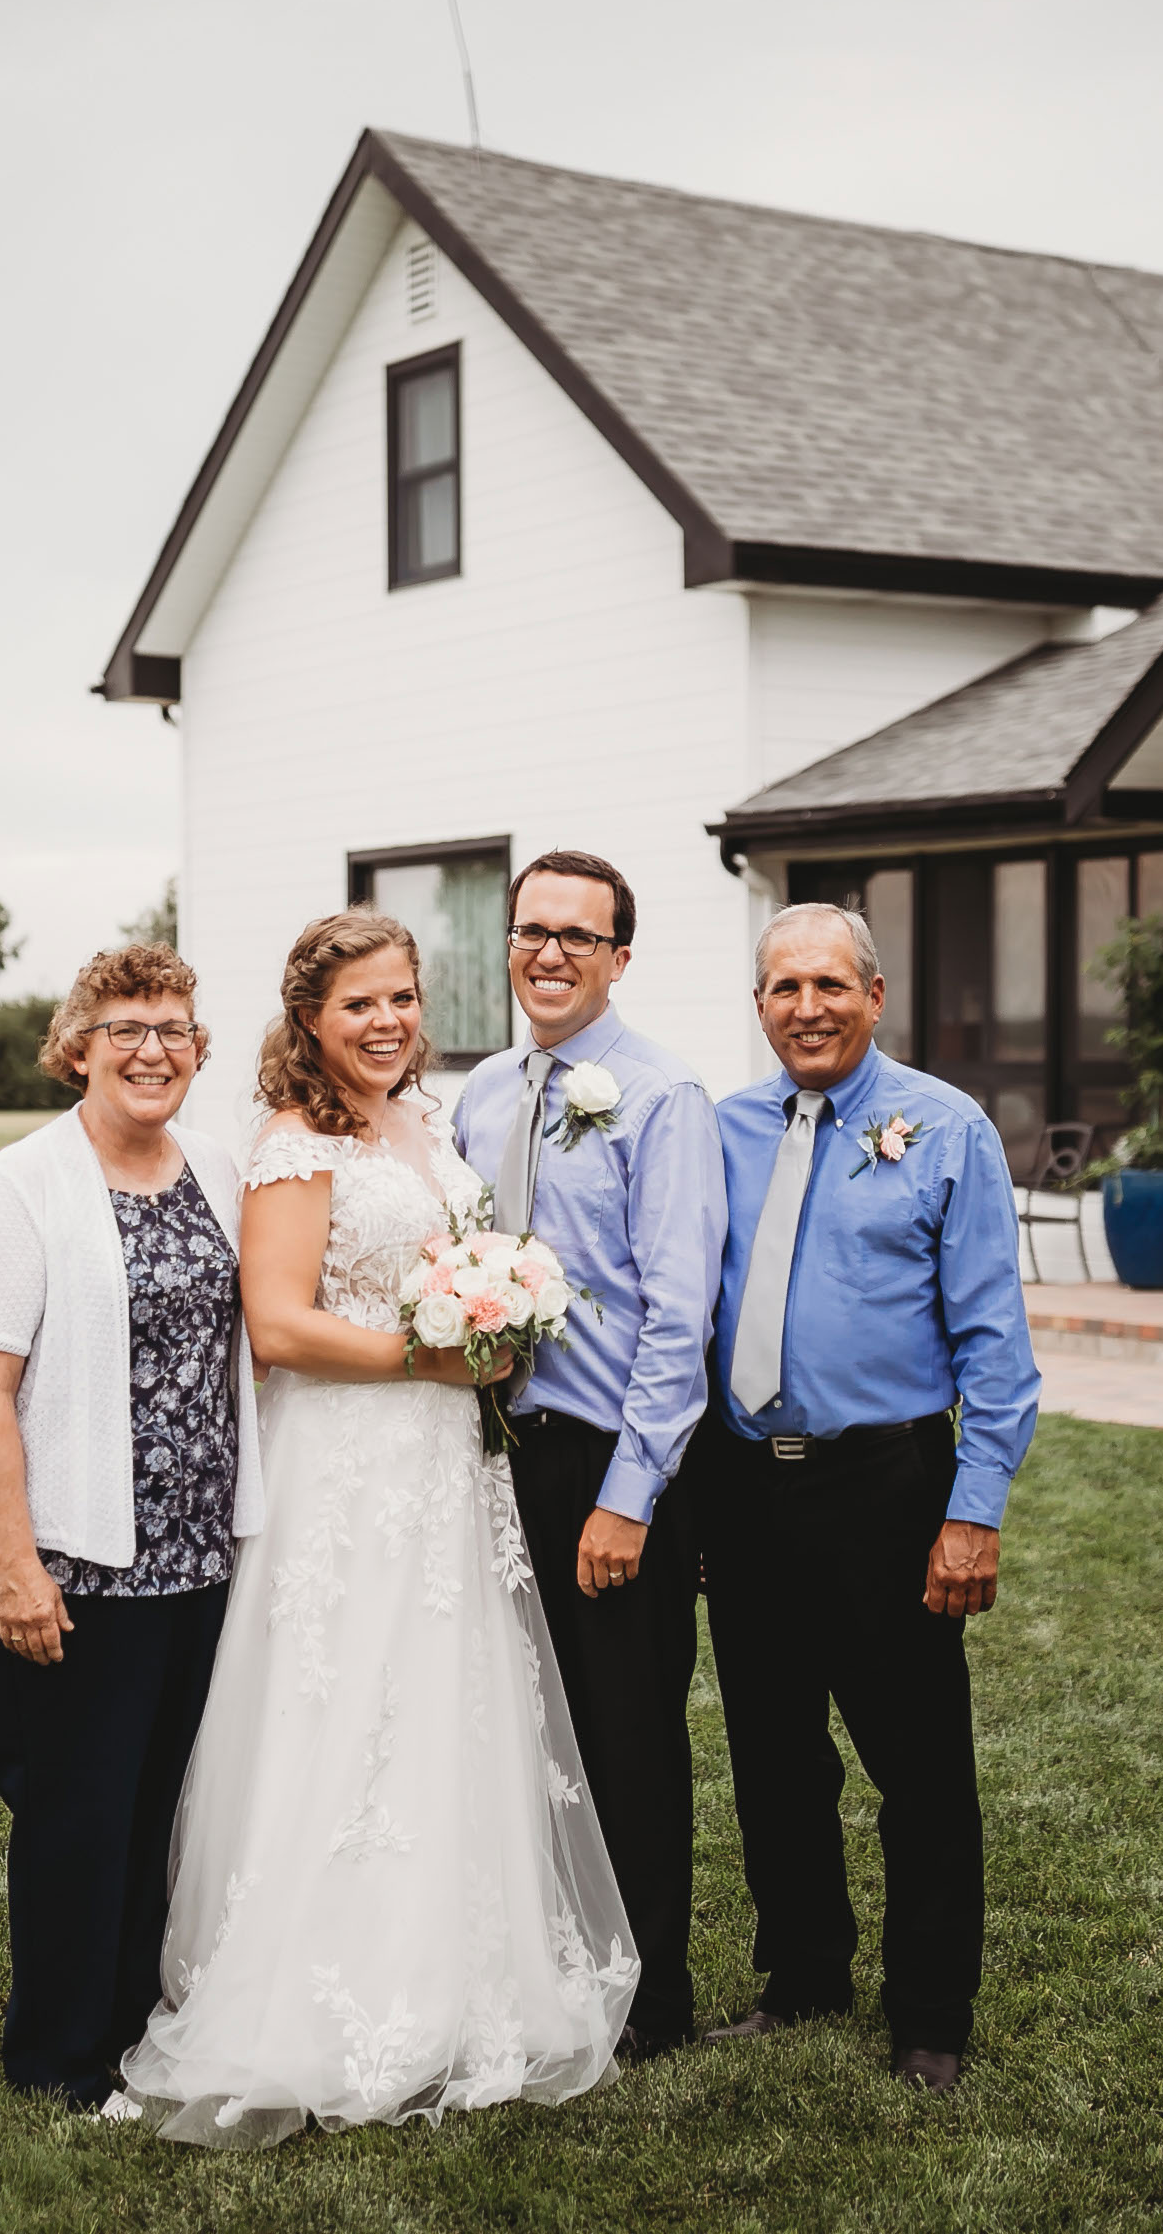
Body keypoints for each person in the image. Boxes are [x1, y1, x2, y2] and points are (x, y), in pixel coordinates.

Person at [118, 908, 637, 2147]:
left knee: (443, 1698)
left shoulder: (427, 1119)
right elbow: (278, 1323)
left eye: (403, 996)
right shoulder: (296, 1141)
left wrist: (491, 1317)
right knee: (344, 1699)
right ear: (309, 1017)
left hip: (443, 1468)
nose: (389, 1020)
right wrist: (433, 1356)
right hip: (347, 1465)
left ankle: (458, 1976)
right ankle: (320, 1988)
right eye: (359, 1003)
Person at [685, 901, 1041, 2095]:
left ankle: (930, 2014)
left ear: (875, 996)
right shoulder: (723, 1130)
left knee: (918, 1763)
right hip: (744, 1483)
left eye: (830, 984)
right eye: (784, 988)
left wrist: (973, 1511)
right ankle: (802, 1976)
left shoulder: (946, 1129)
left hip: (887, 1483)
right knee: (774, 1754)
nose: (808, 1008)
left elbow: (996, 1343)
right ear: (759, 1005)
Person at [0, 944, 262, 2109]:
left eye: (173, 1027)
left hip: (202, 1555)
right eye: (126, 1028)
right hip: (80, 1560)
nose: (152, 1049)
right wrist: (16, 1565)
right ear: (78, 1048)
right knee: (77, 1812)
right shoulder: (26, 1179)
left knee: (162, 1805)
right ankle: (60, 2060)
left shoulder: (217, 1167)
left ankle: (135, 2029)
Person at [450, 849, 725, 2060]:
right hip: (495, 1455)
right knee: (519, 1725)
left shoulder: (663, 1096)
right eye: (531, 930)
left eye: (578, 934)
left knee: (626, 1733)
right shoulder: (480, 1094)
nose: (550, 951)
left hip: (612, 1460)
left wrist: (630, 1497)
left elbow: (680, 1313)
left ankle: (648, 1997)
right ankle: (545, 1962)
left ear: (620, 957)